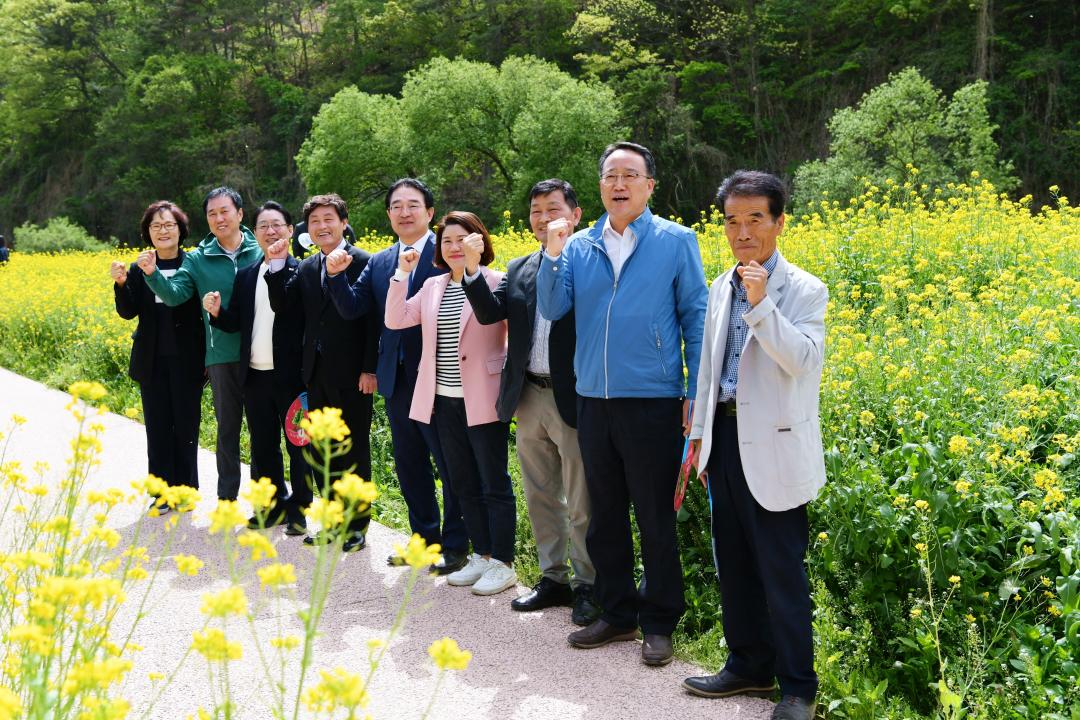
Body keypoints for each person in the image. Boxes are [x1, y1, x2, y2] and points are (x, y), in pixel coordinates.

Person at [537, 141, 708, 666]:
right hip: (593, 400)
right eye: (610, 175)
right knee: (605, 514)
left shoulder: (676, 241)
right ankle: (617, 612)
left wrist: (694, 394)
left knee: (655, 517)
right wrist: (552, 252)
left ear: (649, 185)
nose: (619, 184)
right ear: (600, 186)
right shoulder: (581, 245)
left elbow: (695, 317)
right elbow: (551, 305)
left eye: (630, 175)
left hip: (653, 400)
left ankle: (659, 621)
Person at [682, 171, 826, 720]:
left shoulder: (806, 288)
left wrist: (762, 303)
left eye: (755, 219)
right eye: (731, 221)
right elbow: (710, 369)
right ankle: (748, 666)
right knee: (734, 564)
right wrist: (697, 437)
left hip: (775, 446)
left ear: (779, 222)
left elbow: (804, 361)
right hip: (722, 441)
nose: (742, 232)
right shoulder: (720, 285)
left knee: (782, 572)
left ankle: (797, 688)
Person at [462, 178, 599, 625]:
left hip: (574, 395)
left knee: (581, 498)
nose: (543, 218)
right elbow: (488, 312)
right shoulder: (521, 267)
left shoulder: (591, 262)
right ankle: (553, 577)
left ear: (576, 215)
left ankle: (589, 585)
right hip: (529, 395)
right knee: (541, 494)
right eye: (536, 210)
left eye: (553, 209)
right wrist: (470, 268)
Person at [324, 178, 468, 574]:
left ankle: (457, 544)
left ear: (430, 212)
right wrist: (336, 277)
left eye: (413, 205)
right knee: (409, 461)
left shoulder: (448, 253)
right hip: (396, 377)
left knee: (448, 459)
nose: (404, 213)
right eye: (396, 206)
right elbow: (355, 308)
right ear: (388, 214)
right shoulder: (381, 260)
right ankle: (424, 538)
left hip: (440, 375)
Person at [382, 211, 515, 596]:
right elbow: (395, 319)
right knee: (462, 481)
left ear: (479, 241)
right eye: (447, 241)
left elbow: (496, 325)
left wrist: (473, 270)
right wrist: (401, 274)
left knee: (494, 481)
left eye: (462, 238)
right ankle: (482, 555)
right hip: (442, 401)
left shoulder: (496, 281)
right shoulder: (432, 285)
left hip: (483, 399)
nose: (454, 247)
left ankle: (503, 562)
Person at [264, 194, 377, 553]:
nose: (322, 226)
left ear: (344, 222)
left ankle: (357, 525)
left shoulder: (365, 262)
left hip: (354, 375)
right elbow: (283, 306)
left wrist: (369, 368)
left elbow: (373, 323)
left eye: (329, 219)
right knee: (321, 451)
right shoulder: (307, 267)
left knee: (355, 449)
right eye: (315, 222)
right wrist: (278, 266)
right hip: (314, 374)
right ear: (307, 230)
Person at [138, 187, 262, 501]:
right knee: (227, 432)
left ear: (239, 214)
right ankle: (227, 499)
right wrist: (153, 274)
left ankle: (268, 502)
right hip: (222, 355)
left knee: (264, 432)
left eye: (224, 211)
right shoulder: (197, 259)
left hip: (265, 353)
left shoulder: (261, 247)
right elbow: (174, 294)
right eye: (212, 214)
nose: (219, 218)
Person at [203, 201, 311, 536]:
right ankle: (270, 507)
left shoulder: (303, 271)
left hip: (292, 379)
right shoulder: (247, 274)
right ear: (256, 233)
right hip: (254, 376)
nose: (270, 231)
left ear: (291, 231)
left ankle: (298, 510)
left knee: (299, 446)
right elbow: (238, 321)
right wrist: (218, 312)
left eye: (277, 225)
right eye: (263, 226)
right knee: (263, 447)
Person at [111, 201, 205, 512]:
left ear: (180, 230)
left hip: (187, 360)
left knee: (187, 425)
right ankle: (161, 493)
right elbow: (128, 312)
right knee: (158, 427)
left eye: (169, 225)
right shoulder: (138, 268)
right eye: (156, 226)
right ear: (147, 233)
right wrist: (122, 283)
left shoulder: (193, 265)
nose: (162, 231)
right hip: (152, 361)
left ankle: (187, 490)